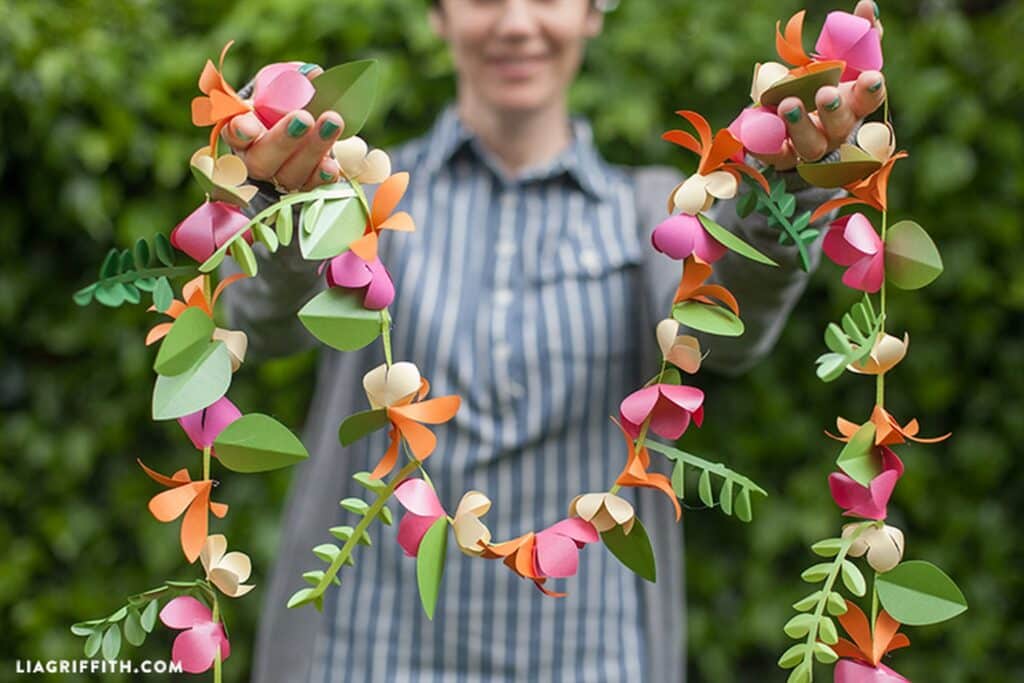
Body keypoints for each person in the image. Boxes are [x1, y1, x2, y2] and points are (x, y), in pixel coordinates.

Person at [220, 1, 886, 680]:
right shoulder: (368, 204)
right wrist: (282, 202)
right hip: (369, 655)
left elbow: (728, 328)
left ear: (595, 11)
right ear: (437, 13)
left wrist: (786, 195)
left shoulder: (656, 215)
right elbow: (263, 320)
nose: (516, 23)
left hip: (590, 657)